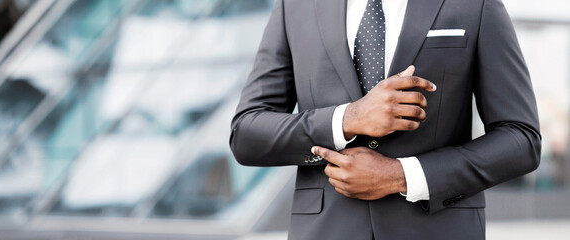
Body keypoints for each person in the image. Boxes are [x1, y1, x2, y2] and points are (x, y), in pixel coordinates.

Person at [230, 0, 541, 239]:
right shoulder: (295, 6)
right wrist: (348, 119)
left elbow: (521, 139)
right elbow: (247, 134)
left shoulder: (476, 4)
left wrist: (401, 175)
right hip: (326, 230)